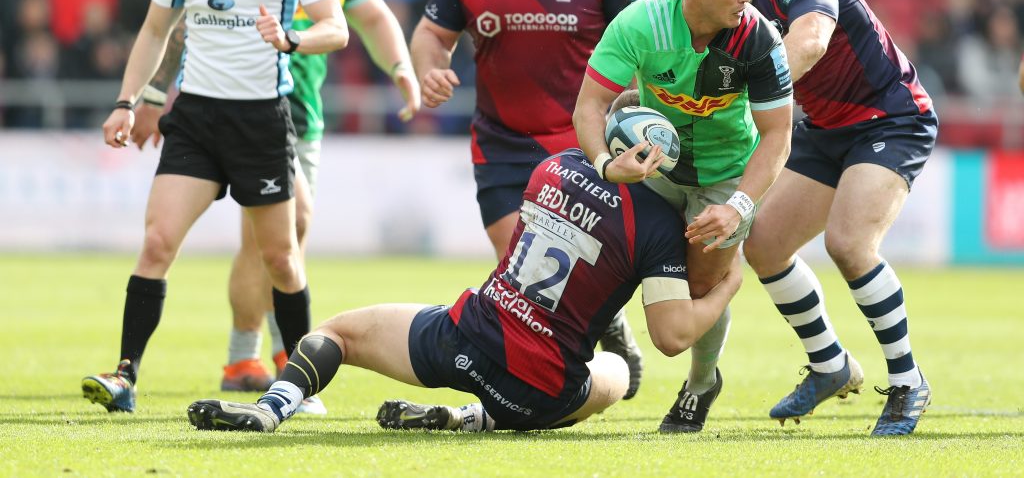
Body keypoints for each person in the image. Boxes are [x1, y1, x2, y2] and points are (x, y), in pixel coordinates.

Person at [129, 0, 421, 410]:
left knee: (282, 241)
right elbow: (182, 22)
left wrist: (402, 67)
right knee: (278, 234)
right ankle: (260, 356)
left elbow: (368, 16)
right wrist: (152, 93)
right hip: (242, 106)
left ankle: (251, 358)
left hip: (301, 113)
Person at [185, 143, 743, 434]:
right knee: (617, 373)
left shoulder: (552, 167)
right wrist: (726, 286)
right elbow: (671, 337)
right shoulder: (658, 226)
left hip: (467, 338)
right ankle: (473, 419)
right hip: (541, 393)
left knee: (338, 332)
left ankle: (273, 407)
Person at [81, 0, 349, 413]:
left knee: (281, 257)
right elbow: (157, 30)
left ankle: (297, 380)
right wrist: (130, 100)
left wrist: (292, 40)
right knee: (156, 243)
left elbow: (338, 26)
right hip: (198, 119)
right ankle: (125, 376)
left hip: (260, 120)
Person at [680, 0, 938, 436]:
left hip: (890, 116)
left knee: (849, 243)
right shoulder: (730, 10)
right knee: (765, 243)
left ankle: (909, 381)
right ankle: (829, 365)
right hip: (826, 127)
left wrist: (742, 97)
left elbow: (811, 41)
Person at [409, 0, 649, 397]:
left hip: (578, 144)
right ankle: (571, 366)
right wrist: (429, 68)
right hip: (500, 143)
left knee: (575, 270)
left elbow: (651, 38)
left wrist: (636, 110)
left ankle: (591, 347)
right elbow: (431, 33)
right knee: (520, 268)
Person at [573, 0, 794, 433]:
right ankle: (582, 346)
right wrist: (607, 165)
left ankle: (700, 383)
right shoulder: (640, 23)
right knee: (595, 243)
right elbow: (588, 107)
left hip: (725, 176)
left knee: (701, 286)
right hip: (655, 169)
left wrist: (738, 206)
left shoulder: (759, 37)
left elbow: (778, 135)